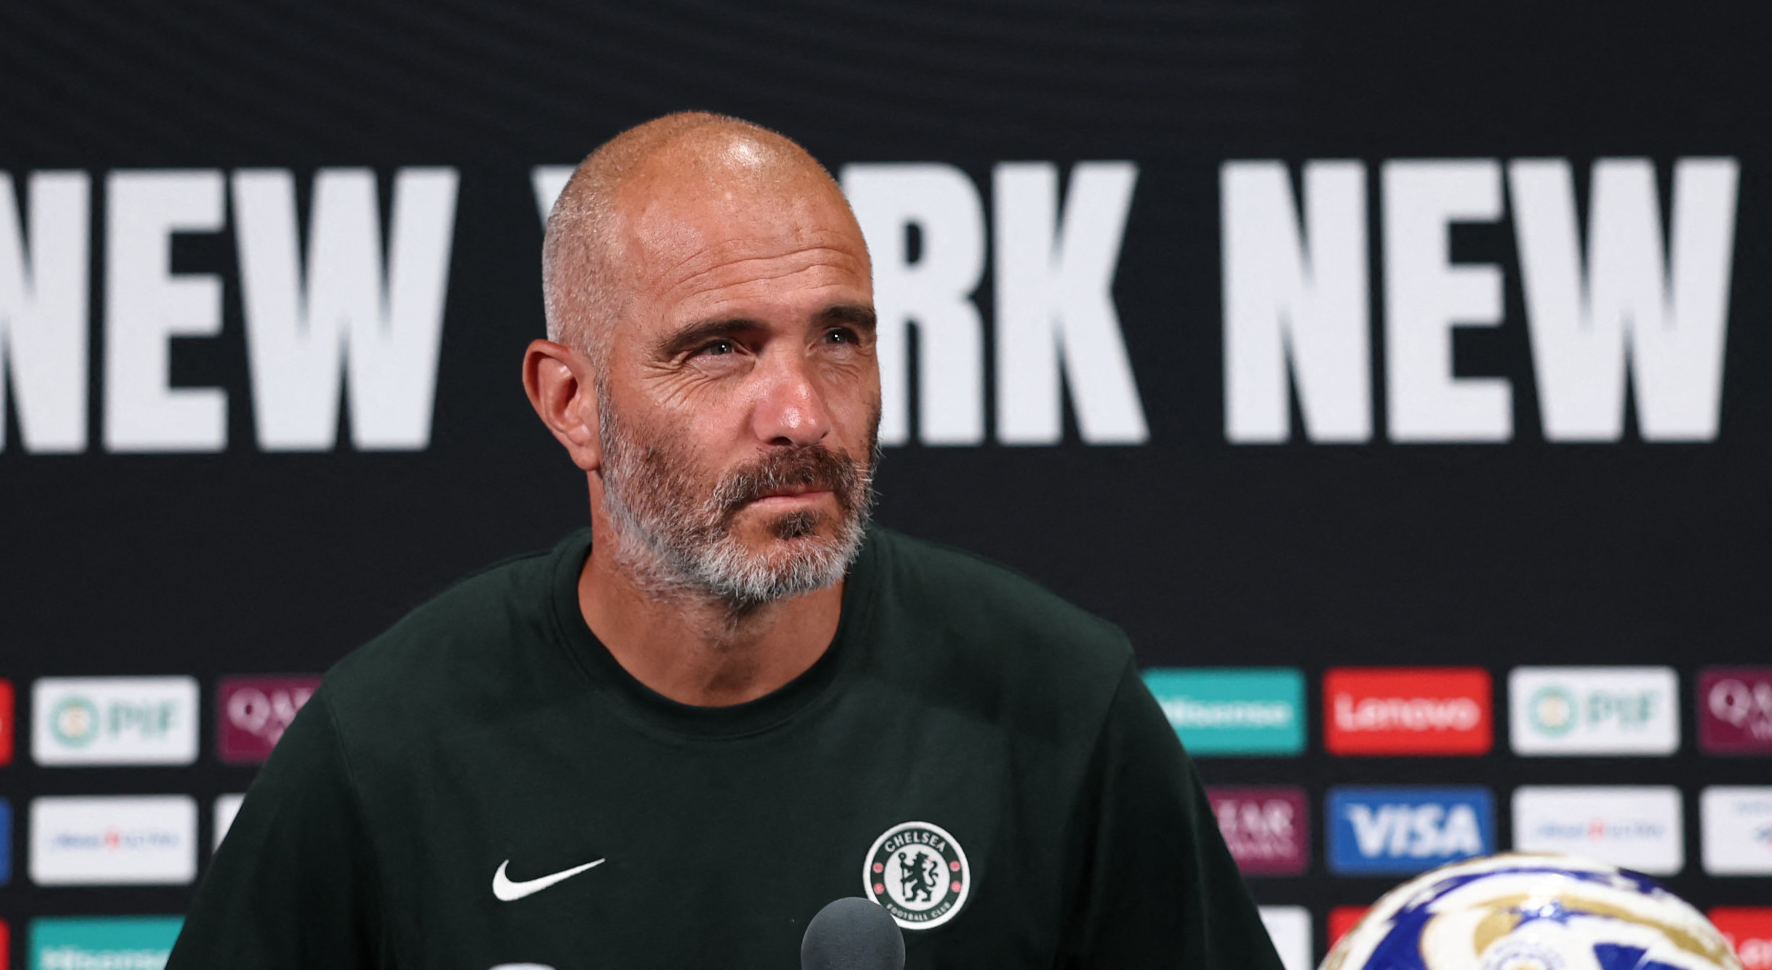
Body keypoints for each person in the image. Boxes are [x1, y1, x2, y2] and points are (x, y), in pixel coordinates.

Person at [168, 113, 1282, 969]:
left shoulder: (1061, 705)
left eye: (838, 335)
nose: (800, 410)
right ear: (572, 402)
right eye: (719, 349)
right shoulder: (387, 745)